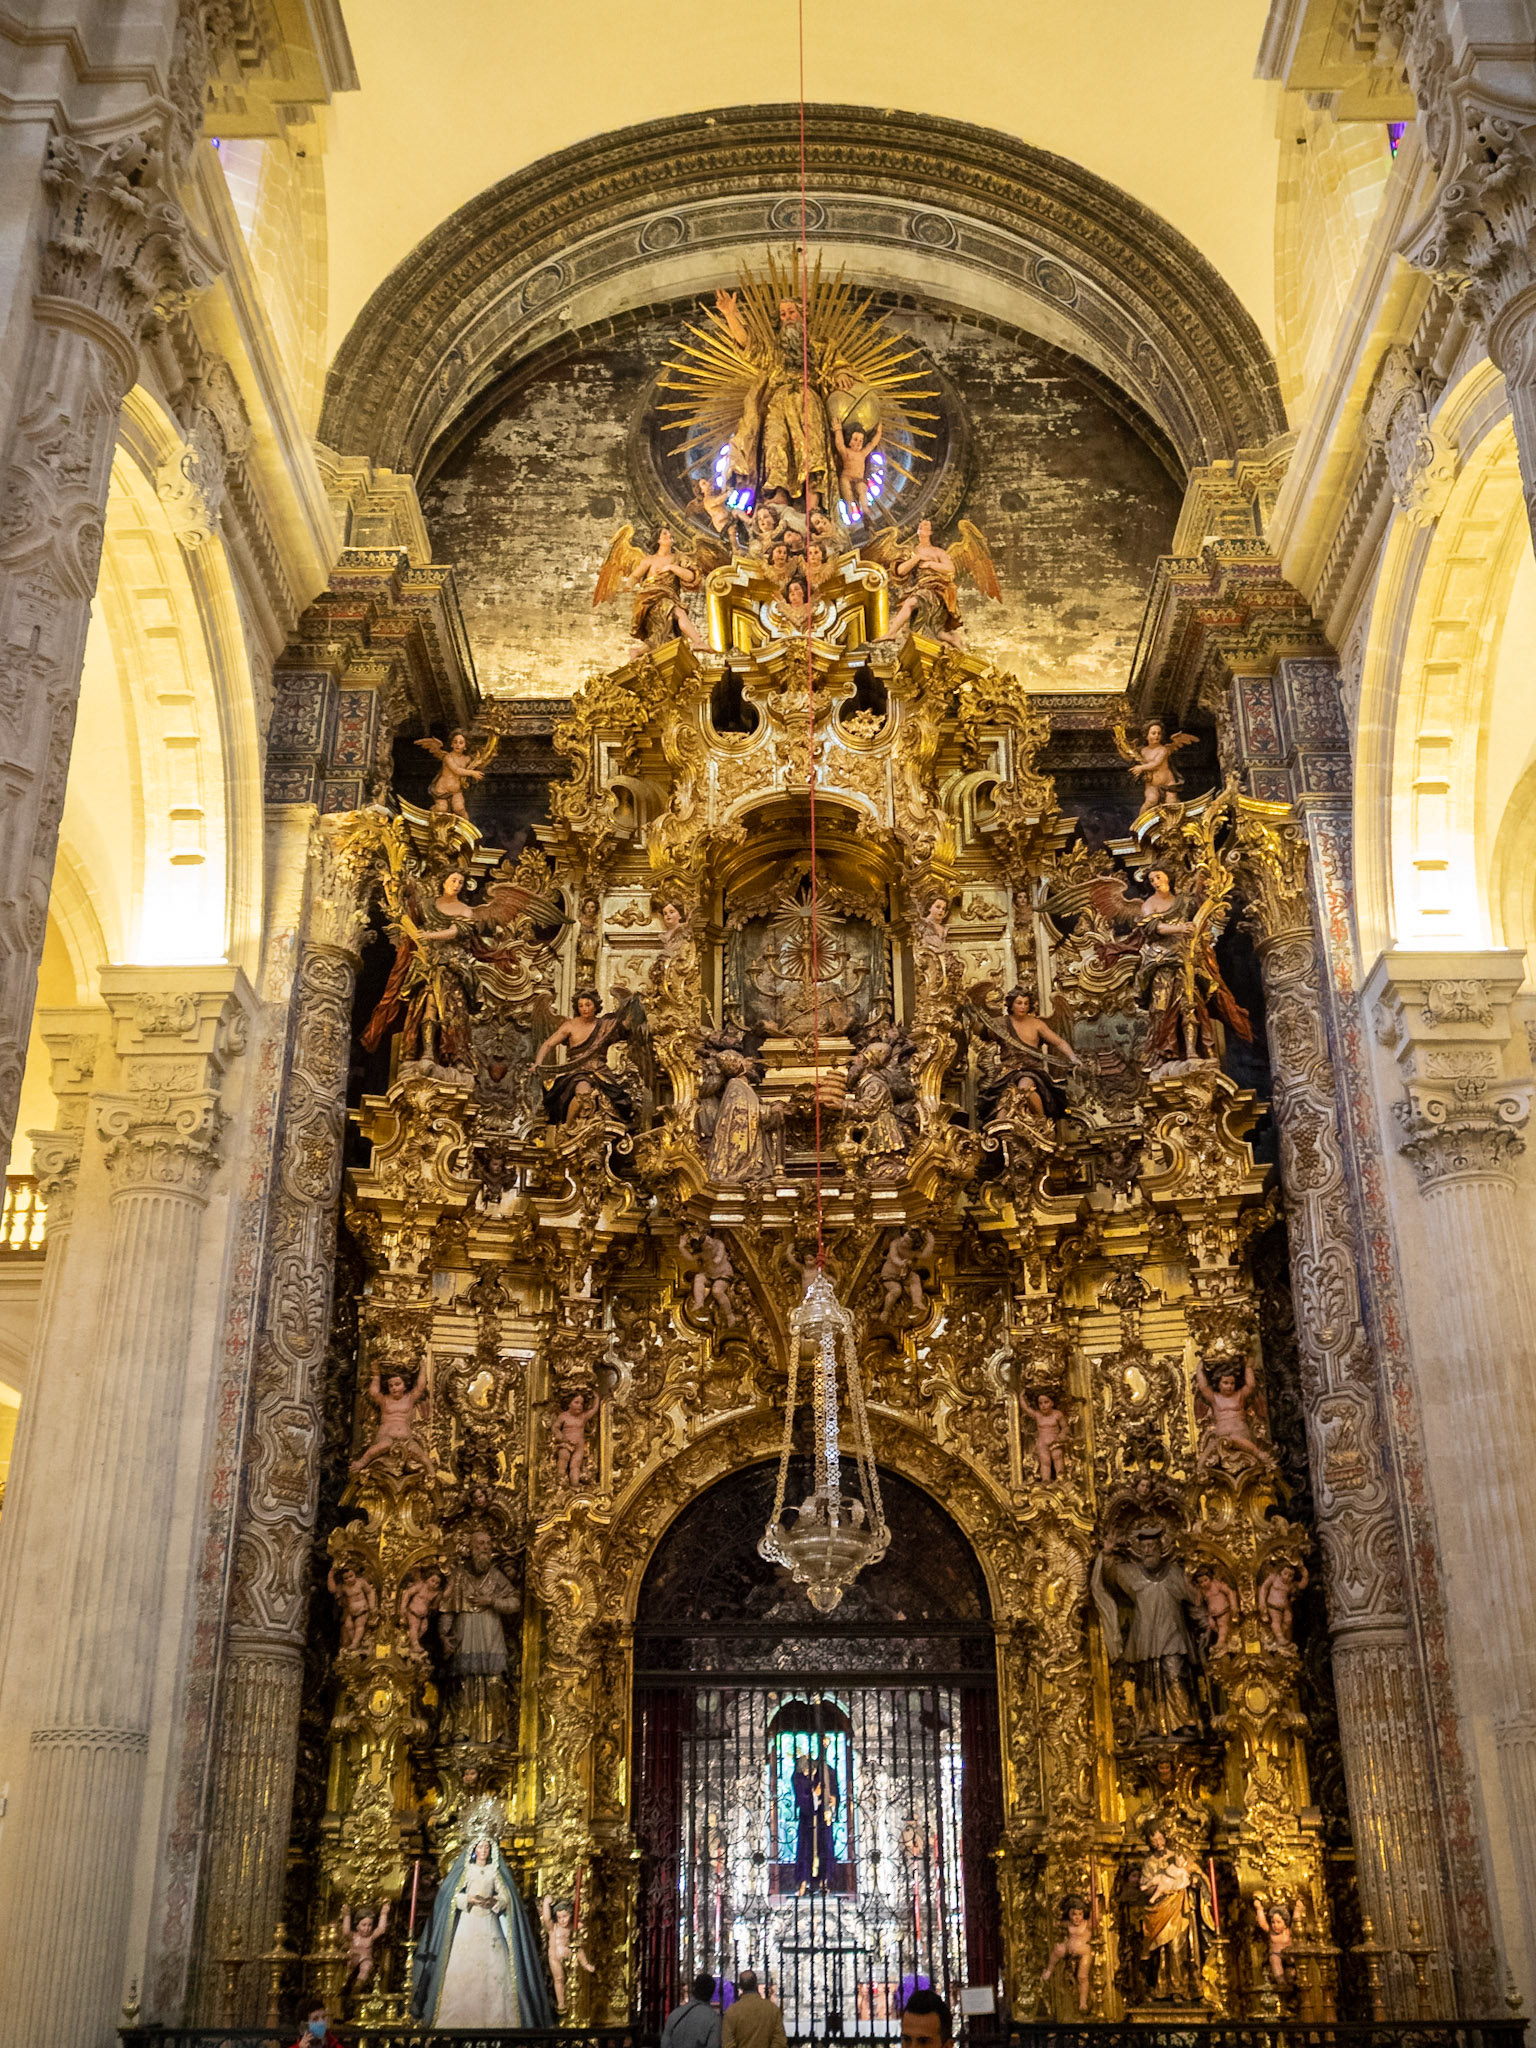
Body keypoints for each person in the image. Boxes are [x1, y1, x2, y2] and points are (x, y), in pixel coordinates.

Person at [412, 1833, 551, 2028]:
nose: (483, 1851)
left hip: (489, 1922)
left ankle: (497, 2021)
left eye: (487, 1847)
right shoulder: (466, 1871)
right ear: (473, 1850)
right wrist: (468, 1900)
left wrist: (495, 1902)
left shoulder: (495, 1871)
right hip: (468, 1922)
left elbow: (506, 1897)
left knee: (494, 1969)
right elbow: (451, 1897)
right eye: (480, 1847)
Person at [722, 1969, 786, 2048]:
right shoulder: (772, 2009)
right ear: (756, 1984)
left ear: (740, 1987)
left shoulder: (732, 2011)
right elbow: (779, 2041)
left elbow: (728, 2043)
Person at [662, 1971, 722, 2048]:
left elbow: (665, 2043)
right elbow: (714, 2045)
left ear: (694, 1989)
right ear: (712, 1993)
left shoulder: (675, 2014)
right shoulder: (713, 2019)